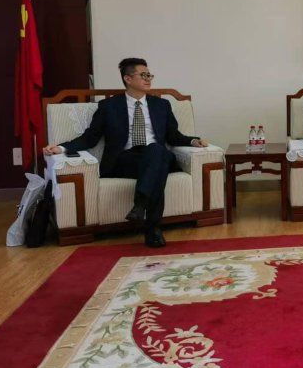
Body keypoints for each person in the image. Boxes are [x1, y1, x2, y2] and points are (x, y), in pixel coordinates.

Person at [43, 58, 208, 248]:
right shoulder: (109, 107)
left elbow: (173, 136)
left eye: (150, 75)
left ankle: (141, 205)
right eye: (143, 75)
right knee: (158, 165)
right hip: (125, 161)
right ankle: (153, 229)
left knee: (156, 151)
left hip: (156, 155)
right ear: (128, 79)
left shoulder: (161, 105)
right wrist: (61, 148)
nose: (148, 79)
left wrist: (193, 141)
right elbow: (90, 138)